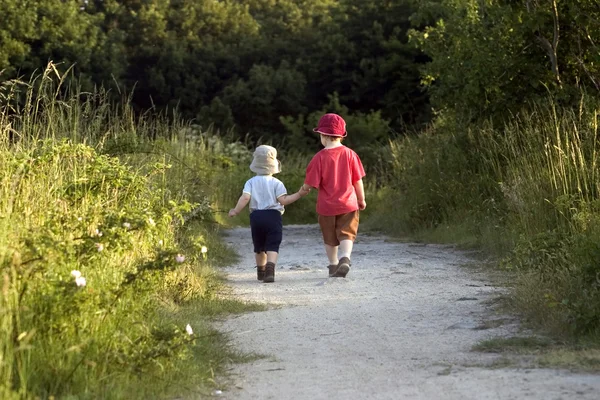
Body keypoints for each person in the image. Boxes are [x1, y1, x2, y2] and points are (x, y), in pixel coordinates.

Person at [229, 145, 309, 283]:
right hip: (273, 216)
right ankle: (270, 270)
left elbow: (245, 198)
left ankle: (261, 271)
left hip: (256, 216)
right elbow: (284, 200)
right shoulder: (277, 183)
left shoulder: (250, 182)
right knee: (272, 244)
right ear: (274, 165)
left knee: (259, 245)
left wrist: (236, 210)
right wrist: (299, 194)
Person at [301, 113, 366, 278]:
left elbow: (310, 183)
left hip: (326, 206)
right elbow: (357, 181)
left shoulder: (319, 157)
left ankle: (333, 265)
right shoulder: (350, 154)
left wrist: (303, 189)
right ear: (341, 136)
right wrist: (361, 199)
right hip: (348, 204)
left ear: (323, 136)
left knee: (329, 237)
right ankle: (346, 258)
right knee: (347, 233)